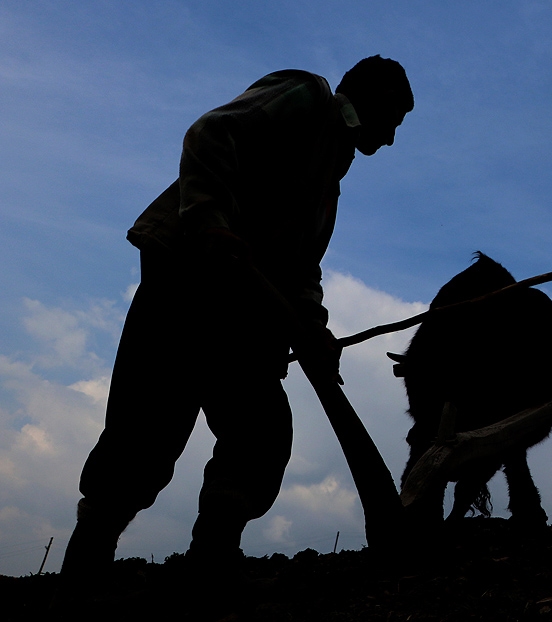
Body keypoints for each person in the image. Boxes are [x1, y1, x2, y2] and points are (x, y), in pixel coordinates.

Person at [60, 56, 413, 576]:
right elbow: (212, 132)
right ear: (377, 100)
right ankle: (82, 574)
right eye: (394, 121)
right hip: (188, 282)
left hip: (246, 313)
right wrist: (210, 219)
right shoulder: (308, 96)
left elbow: (302, 269)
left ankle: (211, 561)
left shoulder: (328, 184)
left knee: (260, 432)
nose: (391, 140)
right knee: (144, 434)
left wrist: (313, 328)